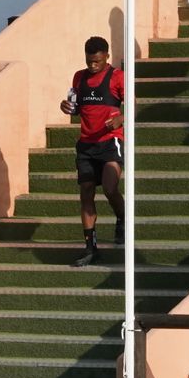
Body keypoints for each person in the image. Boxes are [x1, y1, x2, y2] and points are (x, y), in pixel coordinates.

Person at [60, 36, 126, 267]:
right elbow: (75, 106)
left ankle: (122, 217)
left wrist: (121, 118)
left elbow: (133, 103)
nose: (92, 66)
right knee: (86, 192)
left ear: (106, 57)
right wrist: (66, 106)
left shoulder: (117, 76)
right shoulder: (80, 77)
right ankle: (90, 247)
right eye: (89, 61)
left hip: (110, 142)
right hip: (86, 145)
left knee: (110, 186)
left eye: (97, 61)